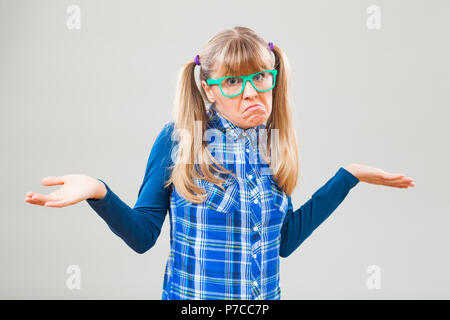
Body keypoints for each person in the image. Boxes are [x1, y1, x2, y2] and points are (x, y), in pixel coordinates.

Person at [24, 26, 415, 300]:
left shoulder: (272, 146)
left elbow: (285, 241)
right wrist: (99, 191)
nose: (251, 93)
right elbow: (143, 236)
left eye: (262, 77)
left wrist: (347, 178)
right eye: (232, 82)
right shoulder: (179, 140)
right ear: (209, 87)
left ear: (275, 79)